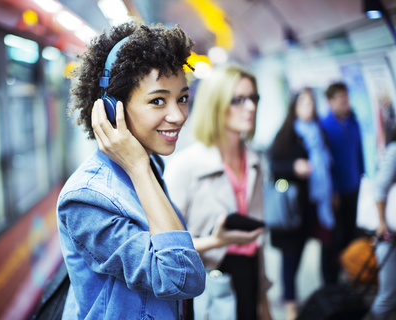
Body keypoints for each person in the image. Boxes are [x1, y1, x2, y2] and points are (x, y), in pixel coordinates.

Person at [57, 21, 206, 319]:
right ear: (113, 109)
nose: (177, 115)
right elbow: (180, 277)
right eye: (158, 100)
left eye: (183, 98)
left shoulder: (150, 165)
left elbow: (161, 247)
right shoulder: (87, 199)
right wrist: (138, 167)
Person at [165, 63, 272, 320]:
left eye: (253, 98)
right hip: (207, 280)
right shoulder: (185, 166)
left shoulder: (256, 162)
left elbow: (256, 239)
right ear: (216, 104)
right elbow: (165, 247)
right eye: (238, 100)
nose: (251, 107)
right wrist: (219, 240)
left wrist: (264, 300)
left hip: (249, 275)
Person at [268, 88, 335, 320]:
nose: (309, 107)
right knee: (291, 259)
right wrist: (294, 167)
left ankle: (330, 297)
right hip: (294, 209)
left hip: (318, 205)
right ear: (294, 106)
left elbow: (328, 166)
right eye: (303, 102)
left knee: (328, 252)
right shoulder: (287, 134)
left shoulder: (319, 132)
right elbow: (274, 165)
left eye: (311, 102)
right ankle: (290, 306)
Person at [319, 82, 365, 284]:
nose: (346, 103)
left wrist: (362, 177)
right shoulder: (324, 126)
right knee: (333, 239)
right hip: (335, 192)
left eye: (347, 98)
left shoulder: (353, 121)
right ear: (330, 102)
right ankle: (330, 279)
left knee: (350, 234)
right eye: (341, 99)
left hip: (354, 186)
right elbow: (326, 165)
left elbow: (359, 153)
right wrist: (333, 191)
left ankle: (351, 274)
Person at [370, 127, 396, 320]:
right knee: (387, 297)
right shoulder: (394, 150)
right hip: (391, 236)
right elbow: (379, 186)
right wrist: (381, 223)